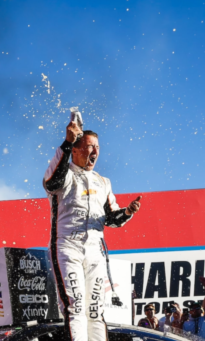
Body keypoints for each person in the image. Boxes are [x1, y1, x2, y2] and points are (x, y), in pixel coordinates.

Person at [43, 120, 142, 341]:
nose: (95, 151)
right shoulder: (65, 172)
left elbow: (111, 219)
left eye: (97, 147)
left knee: (96, 310)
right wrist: (67, 143)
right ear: (76, 150)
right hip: (67, 247)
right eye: (89, 146)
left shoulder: (103, 182)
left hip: (95, 251)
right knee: (76, 307)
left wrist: (127, 213)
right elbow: (50, 183)